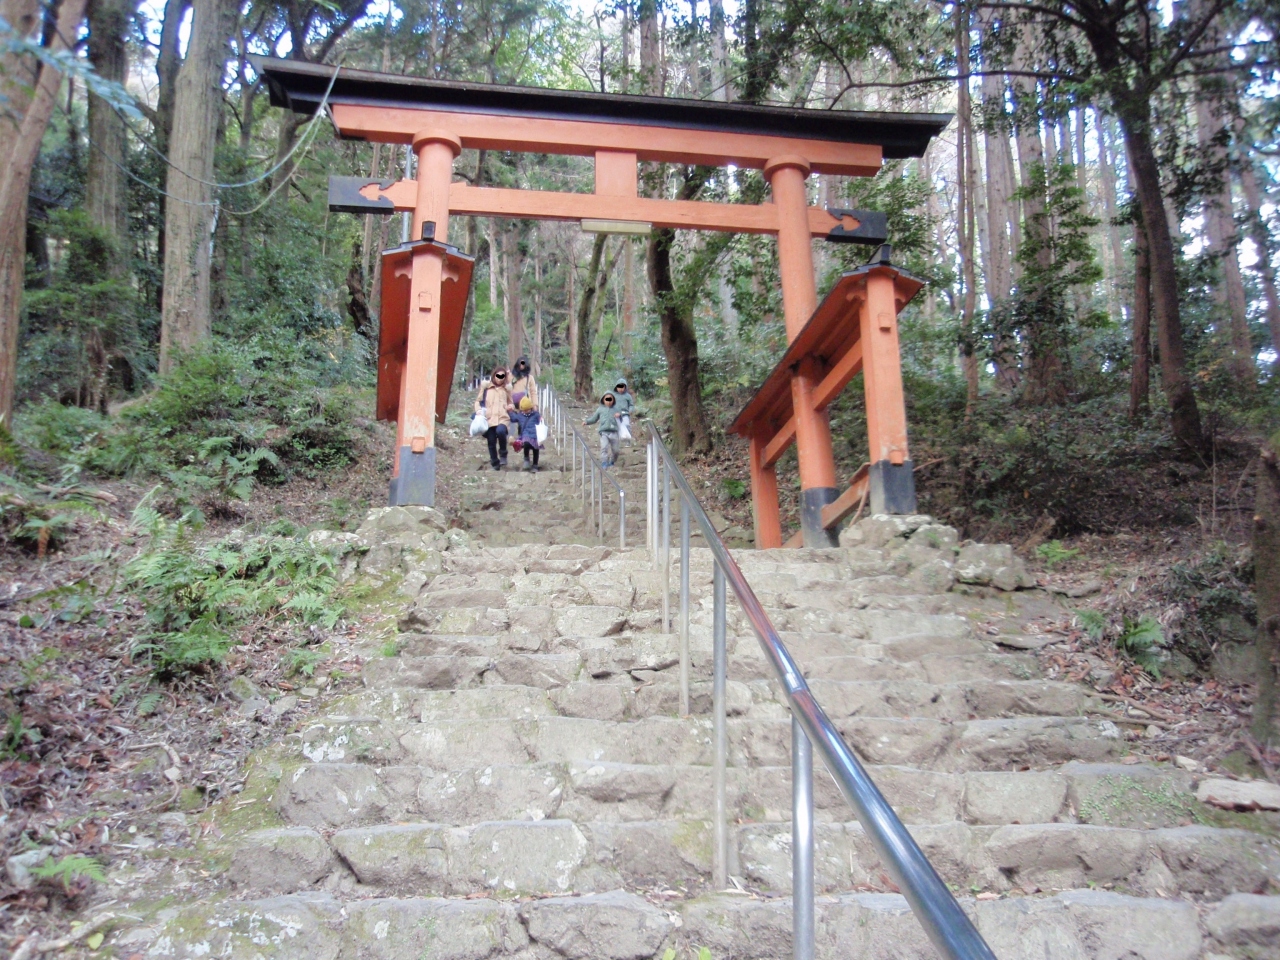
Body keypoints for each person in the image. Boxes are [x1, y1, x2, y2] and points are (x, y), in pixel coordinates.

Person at [475, 366, 513, 470]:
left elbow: (510, 402)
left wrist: (510, 407)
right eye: (498, 376)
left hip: (502, 417)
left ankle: (503, 454)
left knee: (501, 431)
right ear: (494, 375)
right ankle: (495, 462)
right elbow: (478, 401)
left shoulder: (506, 389)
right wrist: (478, 410)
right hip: (489, 418)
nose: (500, 378)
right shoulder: (486, 388)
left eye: (502, 376)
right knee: (491, 441)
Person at [583, 391, 620, 467]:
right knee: (604, 447)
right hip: (604, 432)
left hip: (614, 432)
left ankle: (612, 461)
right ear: (603, 400)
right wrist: (587, 422)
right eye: (607, 399)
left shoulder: (616, 409)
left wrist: (619, 415)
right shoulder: (600, 409)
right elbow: (594, 419)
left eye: (610, 399)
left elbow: (622, 417)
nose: (609, 402)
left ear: (613, 400)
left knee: (616, 450)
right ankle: (604, 462)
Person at [510, 396, 543, 472]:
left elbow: (540, 420)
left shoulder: (535, 414)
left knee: (535, 449)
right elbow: (513, 418)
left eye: (527, 409)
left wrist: (541, 419)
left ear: (531, 408)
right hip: (525, 434)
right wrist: (510, 412)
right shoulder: (520, 415)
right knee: (526, 444)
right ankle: (526, 458)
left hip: (535, 435)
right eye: (524, 410)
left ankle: (535, 465)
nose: (526, 411)